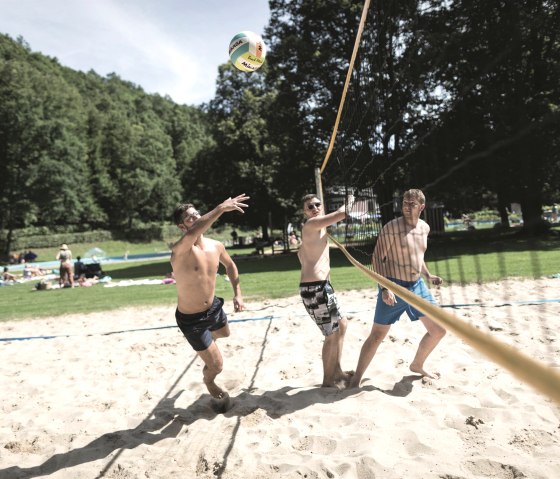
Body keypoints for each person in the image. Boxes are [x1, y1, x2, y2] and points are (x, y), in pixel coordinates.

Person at [350, 189, 446, 388]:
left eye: (412, 204)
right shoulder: (392, 228)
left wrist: (428, 275)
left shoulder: (425, 228)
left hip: (417, 286)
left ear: (422, 207)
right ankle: (356, 378)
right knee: (377, 335)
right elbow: (377, 259)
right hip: (393, 285)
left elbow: (417, 256)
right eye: (404, 202)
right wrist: (384, 288)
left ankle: (417, 365)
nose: (407, 206)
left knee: (438, 330)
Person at [171, 194, 249, 411]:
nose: (195, 217)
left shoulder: (216, 246)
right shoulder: (180, 250)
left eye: (197, 213)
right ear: (181, 227)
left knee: (225, 334)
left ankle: (206, 345)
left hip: (213, 308)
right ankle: (209, 381)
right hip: (191, 319)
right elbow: (197, 230)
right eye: (189, 218)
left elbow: (231, 266)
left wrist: (238, 293)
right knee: (217, 365)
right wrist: (220, 208)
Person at [298, 193, 354, 388]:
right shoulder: (312, 225)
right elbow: (343, 213)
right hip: (314, 289)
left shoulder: (317, 228)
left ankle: (337, 370)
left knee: (343, 324)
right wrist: (351, 198)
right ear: (305, 212)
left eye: (317, 204)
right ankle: (327, 381)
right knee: (331, 335)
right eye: (310, 207)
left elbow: (302, 256)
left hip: (323, 287)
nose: (314, 208)